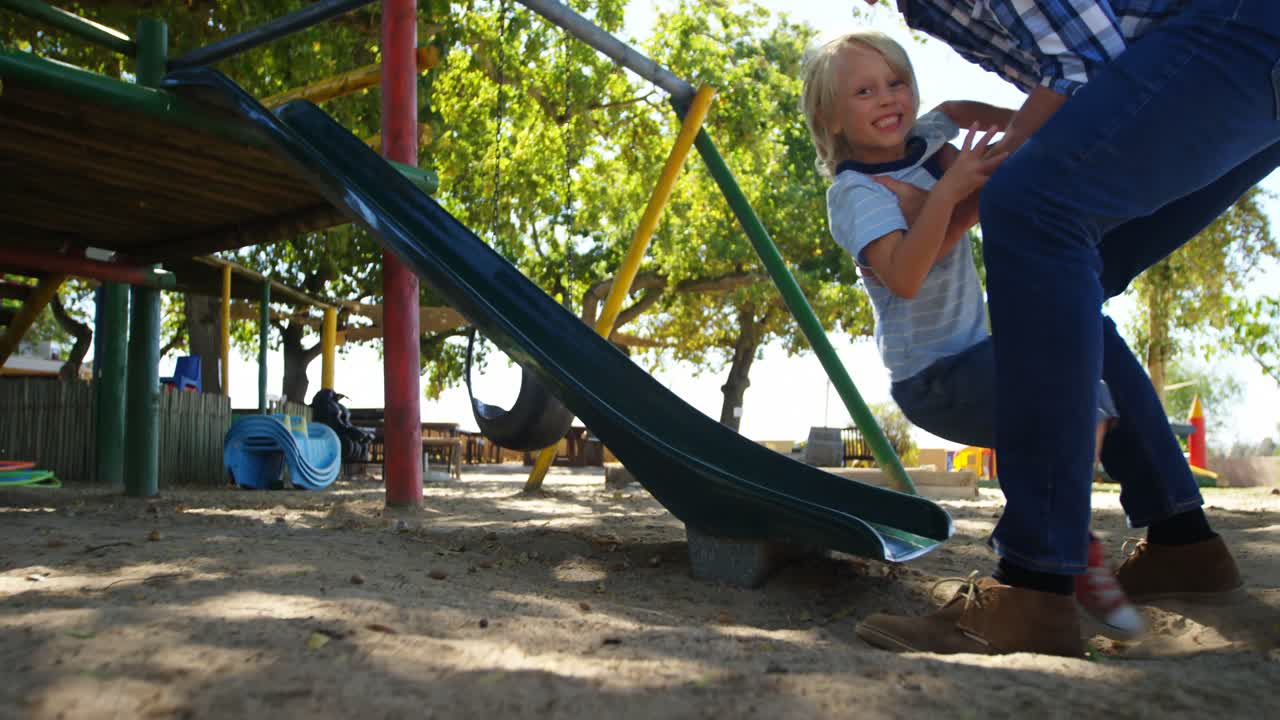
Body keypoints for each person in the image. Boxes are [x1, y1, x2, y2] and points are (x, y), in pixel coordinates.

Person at [851, 0, 1266, 656]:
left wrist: (963, 188)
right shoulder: (859, 181)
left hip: (1245, 31)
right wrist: (971, 175)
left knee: (1032, 206)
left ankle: (1034, 586)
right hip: (1246, 52)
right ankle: (1184, 547)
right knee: (1068, 272)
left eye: (893, 83)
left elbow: (1084, 61)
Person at [801, 28, 1143, 639]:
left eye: (897, 82)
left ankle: (1065, 546)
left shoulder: (926, 139)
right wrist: (954, 190)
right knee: (1078, 400)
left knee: (1084, 397)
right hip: (934, 377)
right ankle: (1074, 549)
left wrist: (1017, 128)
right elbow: (905, 276)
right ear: (829, 117)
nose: (889, 99)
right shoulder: (854, 193)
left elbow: (956, 114)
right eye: (864, 91)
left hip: (981, 352)